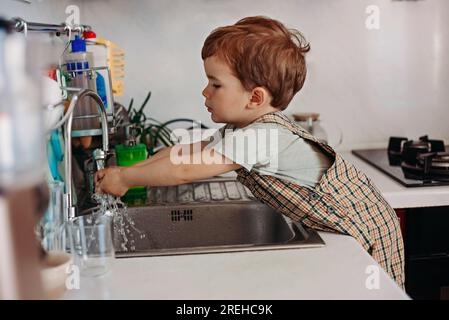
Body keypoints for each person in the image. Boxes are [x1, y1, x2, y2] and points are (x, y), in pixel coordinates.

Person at [95, 16, 404, 287]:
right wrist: (130, 171)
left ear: (254, 98)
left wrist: (127, 178)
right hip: (349, 225)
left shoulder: (262, 136)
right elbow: (186, 152)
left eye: (215, 84)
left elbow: (185, 170)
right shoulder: (244, 128)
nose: (205, 91)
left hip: (367, 234)